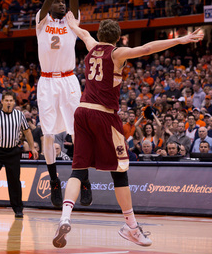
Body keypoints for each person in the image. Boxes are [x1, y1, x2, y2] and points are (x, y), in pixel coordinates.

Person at [53, 12, 203, 248]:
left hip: (81, 113)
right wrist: (180, 40)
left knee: (79, 169)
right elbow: (146, 48)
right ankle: (131, 227)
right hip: (103, 114)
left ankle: (64, 217)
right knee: (120, 170)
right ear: (118, 38)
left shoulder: (92, 47)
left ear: (100, 35)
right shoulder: (117, 53)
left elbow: (82, 33)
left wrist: (72, 24)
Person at [36, 0, 91, 208]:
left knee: (78, 131)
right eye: (56, 2)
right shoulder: (41, 21)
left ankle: (83, 175)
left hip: (69, 80)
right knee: (47, 134)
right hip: (47, 82)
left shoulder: (71, 21)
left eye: (61, 3)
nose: (60, 4)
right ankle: (55, 180)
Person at [0, 91, 38, 218]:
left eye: (11, 100)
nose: (8, 102)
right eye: (6, 100)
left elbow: (27, 131)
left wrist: (32, 148)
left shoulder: (19, 115)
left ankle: (18, 209)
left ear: (14, 102)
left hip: (13, 151)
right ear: (2, 101)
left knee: (14, 181)